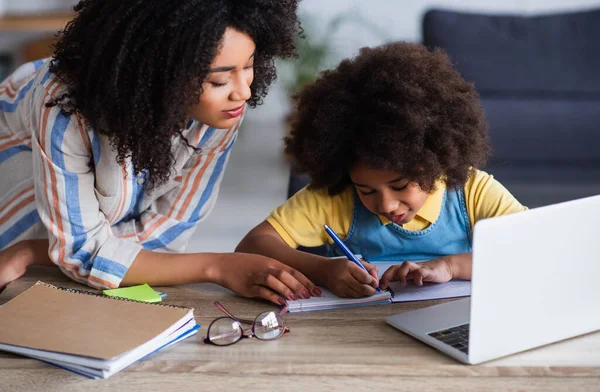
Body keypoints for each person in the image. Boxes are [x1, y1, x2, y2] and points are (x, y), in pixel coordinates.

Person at [0, 0, 321, 306]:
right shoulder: (63, 108)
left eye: (249, 65)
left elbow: (165, 236)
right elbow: (80, 252)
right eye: (220, 80)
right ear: (160, 72)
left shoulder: (223, 110)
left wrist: (46, 251)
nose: (244, 91)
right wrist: (220, 267)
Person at [236, 42, 528, 298]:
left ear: (433, 160)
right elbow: (251, 245)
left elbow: (534, 246)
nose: (386, 204)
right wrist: (323, 270)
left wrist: (451, 266)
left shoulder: (471, 192)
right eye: (366, 190)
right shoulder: (337, 197)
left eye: (400, 186)